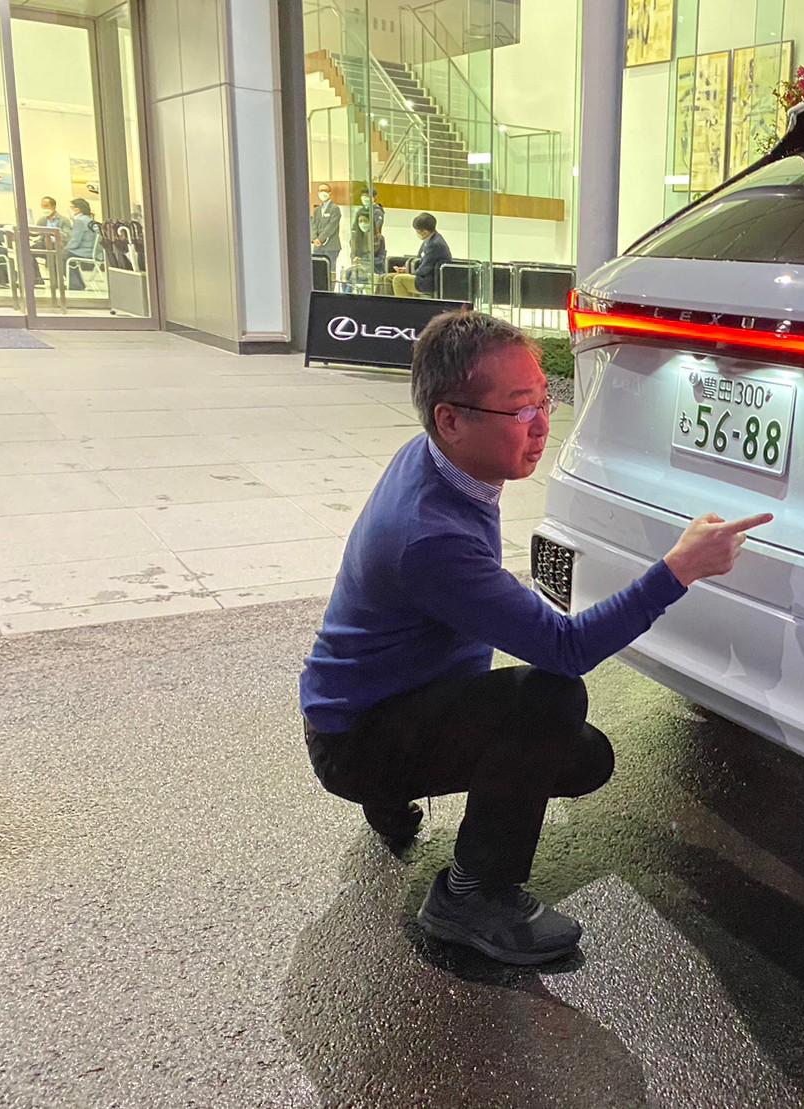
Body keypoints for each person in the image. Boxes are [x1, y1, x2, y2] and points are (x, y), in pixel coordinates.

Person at [299, 311, 771, 964]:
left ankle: (390, 795)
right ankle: (470, 896)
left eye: (546, 400)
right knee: (549, 698)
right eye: (520, 408)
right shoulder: (429, 537)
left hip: (372, 703)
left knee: (584, 757)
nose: (543, 423)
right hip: (354, 739)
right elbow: (566, 649)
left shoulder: (432, 459)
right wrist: (679, 569)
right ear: (450, 419)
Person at [390, 212, 450, 298]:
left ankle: (404, 305)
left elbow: (425, 269)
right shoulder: (429, 240)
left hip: (429, 281)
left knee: (398, 280)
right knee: (387, 278)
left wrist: (409, 272)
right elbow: (420, 260)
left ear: (424, 231)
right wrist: (406, 269)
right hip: (424, 277)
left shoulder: (435, 244)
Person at [62, 198, 99, 290]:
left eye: (71, 207)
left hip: (85, 251)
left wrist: (66, 248)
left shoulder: (79, 221)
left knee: (62, 255)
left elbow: (75, 241)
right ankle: (77, 283)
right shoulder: (89, 219)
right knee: (68, 256)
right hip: (93, 251)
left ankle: (75, 284)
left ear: (77, 209)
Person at [309, 183, 341, 277]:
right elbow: (313, 224)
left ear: (330, 193)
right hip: (318, 246)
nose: (323, 193)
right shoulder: (317, 210)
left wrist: (320, 239)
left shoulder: (335, 209)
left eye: (325, 190)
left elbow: (332, 226)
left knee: (330, 271)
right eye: (320, 190)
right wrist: (314, 239)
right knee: (317, 271)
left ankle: (331, 286)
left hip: (331, 246)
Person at [348, 209, 386, 287]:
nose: (362, 223)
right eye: (360, 221)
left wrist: (366, 261)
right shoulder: (354, 239)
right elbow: (352, 255)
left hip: (375, 268)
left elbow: (381, 258)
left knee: (361, 275)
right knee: (348, 274)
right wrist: (355, 259)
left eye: (365, 221)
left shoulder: (380, 238)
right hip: (359, 268)